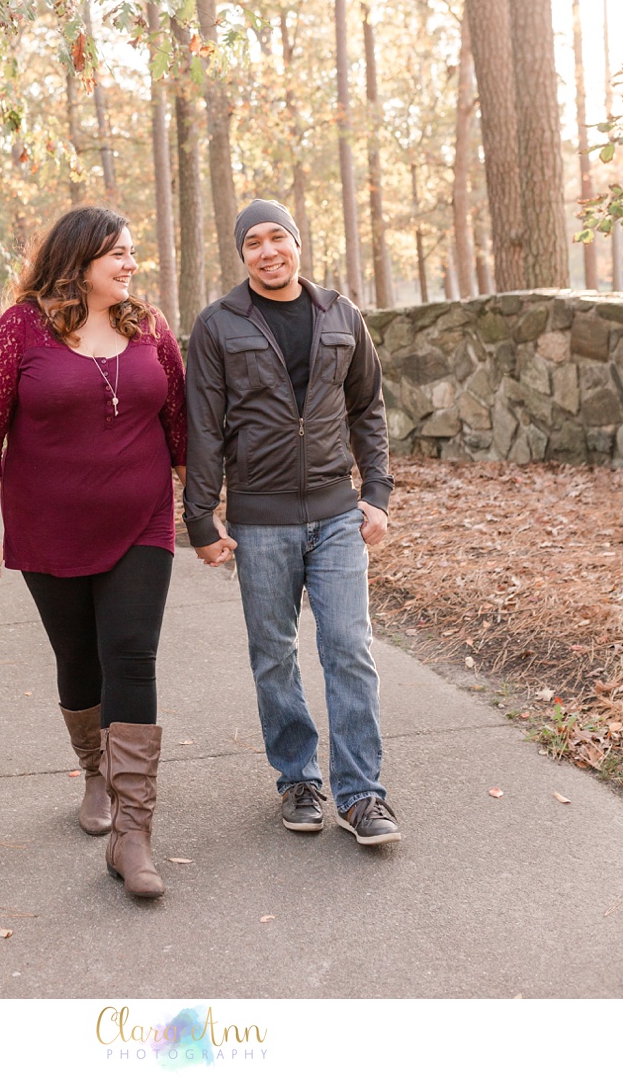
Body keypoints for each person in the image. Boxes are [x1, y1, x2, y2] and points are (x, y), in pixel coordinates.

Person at [0, 206, 187, 898]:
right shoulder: (19, 329)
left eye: (132, 253)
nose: (130, 265)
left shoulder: (147, 325)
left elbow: (180, 423)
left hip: (143, 519)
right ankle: (94, 771)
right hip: (47, 523)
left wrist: (205, 513)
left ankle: (133, 832)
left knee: (131, 653)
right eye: (117, 254)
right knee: (79, 658)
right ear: (79, 259)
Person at [183, 199, 400, 845]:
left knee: (350, 651)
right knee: (274, 655)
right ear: (241, 253)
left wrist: (378, 492)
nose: (268, 250)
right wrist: (201, 515)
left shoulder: (341, 315)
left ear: (298, 244)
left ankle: (361, 794)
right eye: (254, 241)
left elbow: (368, 408)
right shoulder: (218, 326)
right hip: (260, 520)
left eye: (278, 236)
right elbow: (204, 429)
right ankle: (298, 778)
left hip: (337, 513)